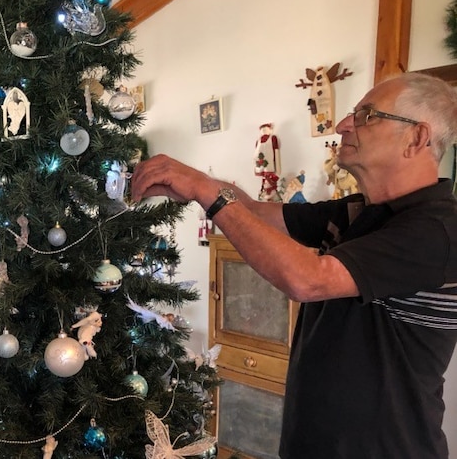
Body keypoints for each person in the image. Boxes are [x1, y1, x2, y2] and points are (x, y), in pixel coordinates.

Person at [130, 72, 457, 458]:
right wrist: (196, 182)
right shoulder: (359, 210)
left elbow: (309, 279)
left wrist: (205, 192)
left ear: (417, 137)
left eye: (366, 115)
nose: (343, 125)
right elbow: (253, 211)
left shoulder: (437, 229)